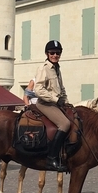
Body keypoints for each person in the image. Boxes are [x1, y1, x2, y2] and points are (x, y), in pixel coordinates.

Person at [33, 40, 70, 171]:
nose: (55, 55)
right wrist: (55, 99)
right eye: (52, 53)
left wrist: (65, 101)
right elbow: (38, 90)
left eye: (58, 53)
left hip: (57, 103)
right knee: (65, 124)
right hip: (45, 104)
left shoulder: (57, 68)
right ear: (47, 54)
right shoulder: (44, 68)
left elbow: (61, 88)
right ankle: (51, 158)